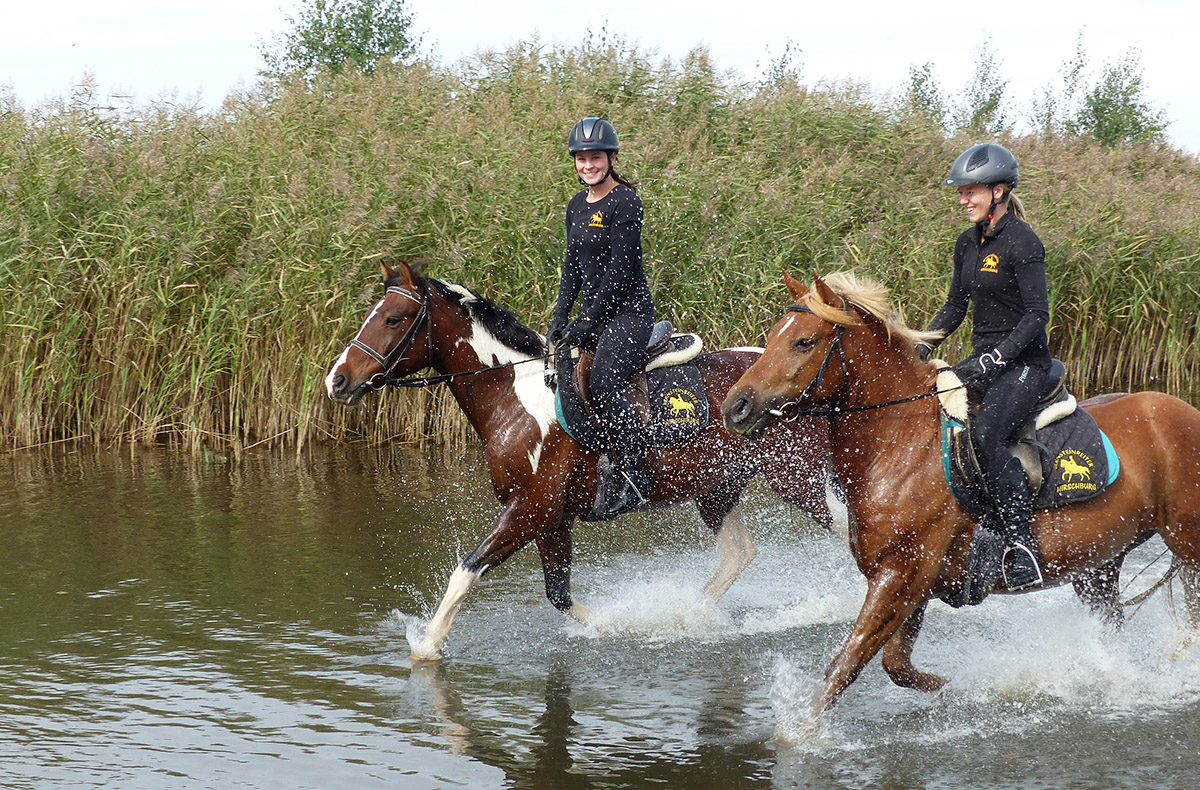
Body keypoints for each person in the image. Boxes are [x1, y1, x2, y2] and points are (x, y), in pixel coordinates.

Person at [918, 142, 1053, 590]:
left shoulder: (1023, 241)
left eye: (970, 191)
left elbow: (1037, 316)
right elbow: (955, 307)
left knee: (985, 436)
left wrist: (998, 357)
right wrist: (919, 347)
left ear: (998, 191)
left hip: (1024, 364)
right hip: (982, 361)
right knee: (937, 426)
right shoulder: (967, 243)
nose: (963, 199)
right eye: (960, 192)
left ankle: (1022, 549)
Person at [548, 117, 655, 518]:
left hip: (629, 314)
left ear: (611, 158)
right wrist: (561, 317)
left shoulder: (626, 201)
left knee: (605, 383)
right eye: (581, 158)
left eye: (595, 157)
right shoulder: (576, 205)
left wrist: (588, 320)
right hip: (594, 316)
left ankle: (634, 475)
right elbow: (573, 266)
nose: (588, 165)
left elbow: (621, 269)